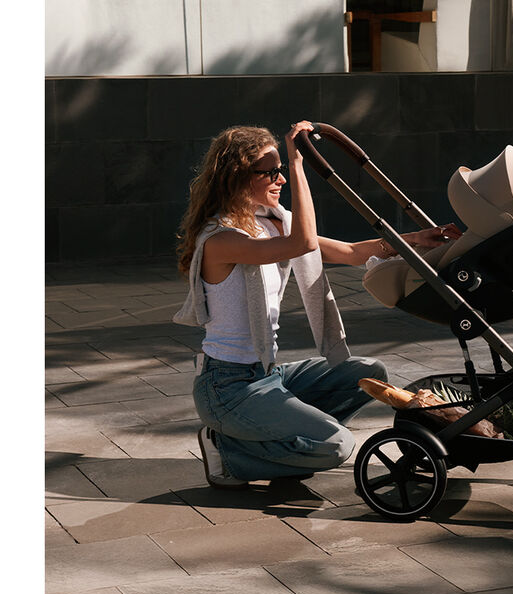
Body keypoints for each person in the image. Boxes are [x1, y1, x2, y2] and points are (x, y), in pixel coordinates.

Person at [173, 122, 462, 489]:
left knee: (366, 371)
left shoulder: (273, 224)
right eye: (271, 172)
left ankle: (278, 439)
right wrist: (297, 164)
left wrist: (417, 239)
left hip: (265, 375)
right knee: (336, 445)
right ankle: (230, 452)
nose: (279, 179)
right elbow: (303, 243)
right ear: (238, 177)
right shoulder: (221, 239)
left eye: (281, 170)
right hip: (227, 388)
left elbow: (352, 253)